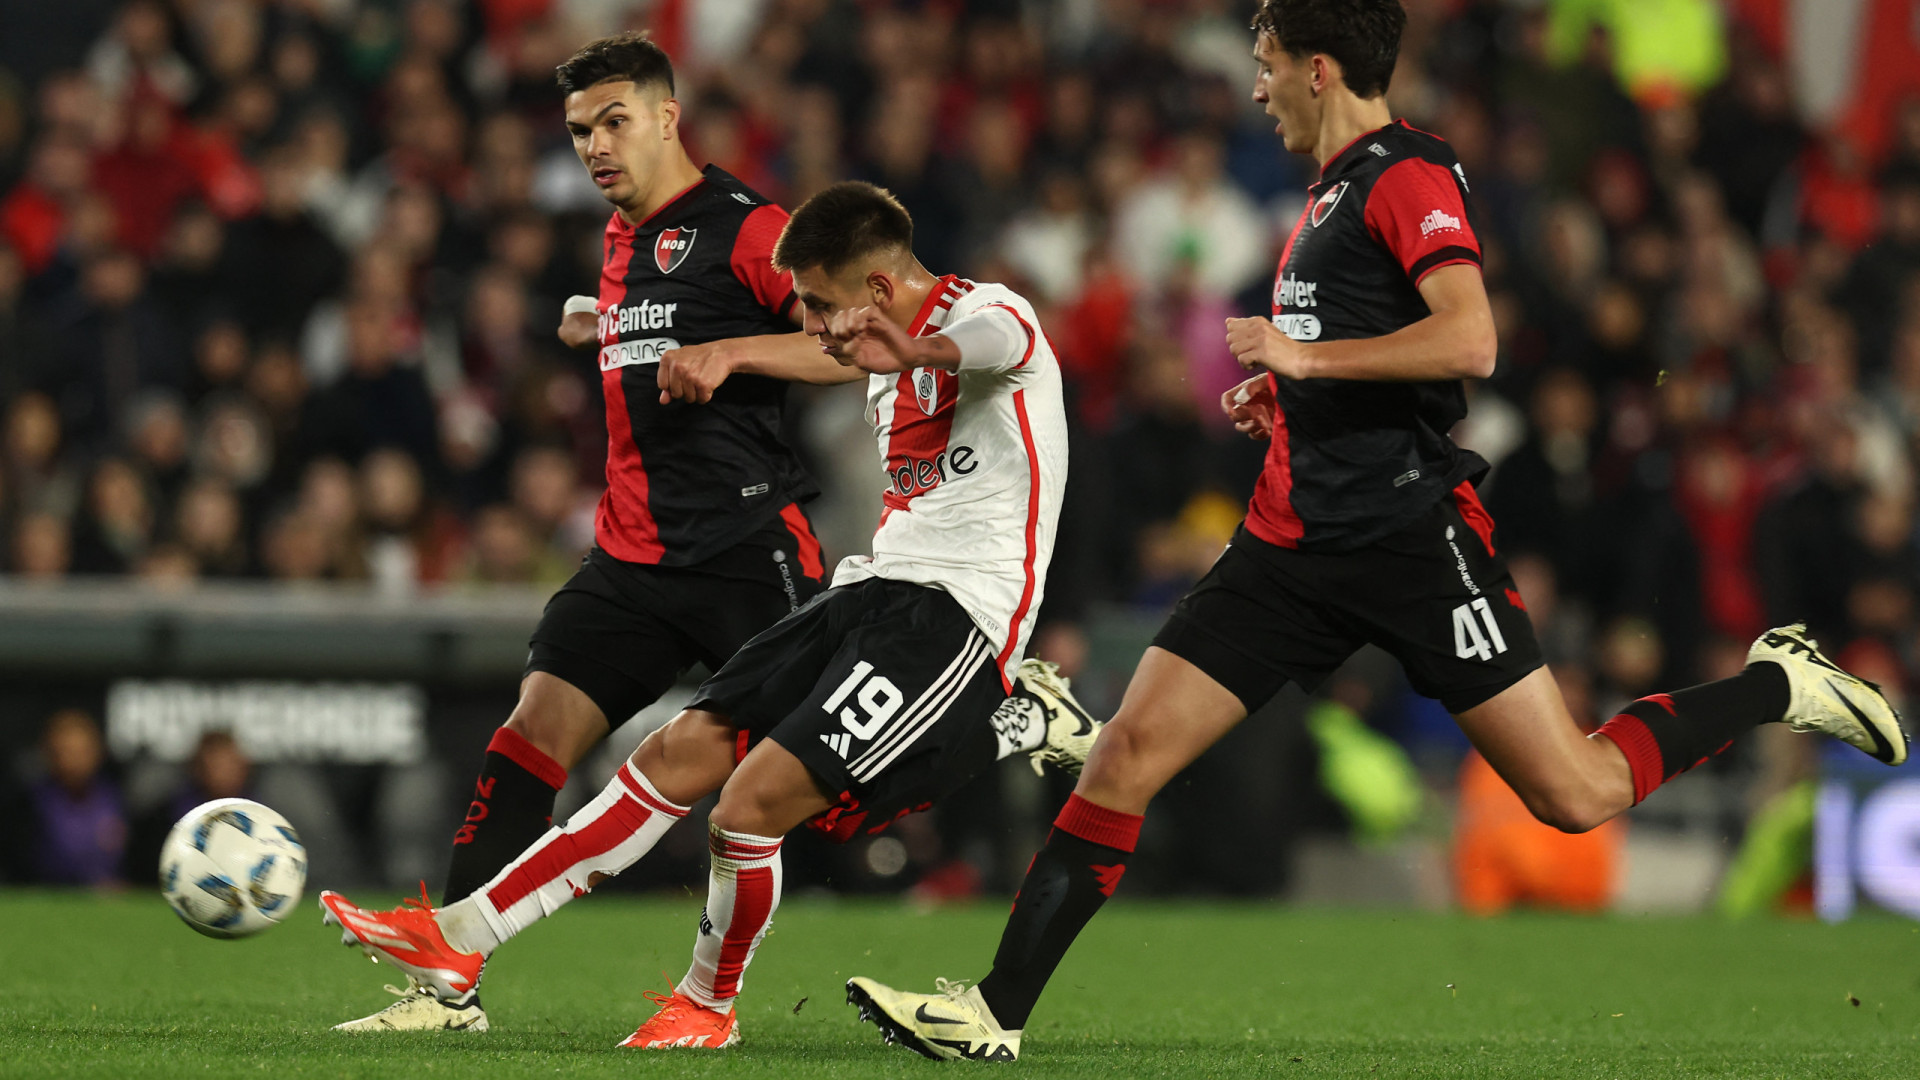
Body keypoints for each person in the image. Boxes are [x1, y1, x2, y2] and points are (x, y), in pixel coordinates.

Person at [845, 0, 1908, 1062]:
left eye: (1264, 66)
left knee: (1575, 794)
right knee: (1122, 755)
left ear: (1319, 68)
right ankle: (995, 1014)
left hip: (1407, 538)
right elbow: (1365, 350)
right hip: (1288, 547)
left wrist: (1306, 364)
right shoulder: (1324, 197)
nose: (1253, 89)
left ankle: (1778, 682)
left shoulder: (1408, 174)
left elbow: (1470, 338)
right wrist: (1290, 401)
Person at [319, 180, 1097, 1050]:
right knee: (673, 753)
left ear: (877, 292)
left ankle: (707, 1006)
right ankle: (462, 935)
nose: (808, 323)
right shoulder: (872, 354)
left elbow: (991, 343)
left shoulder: (989, 314)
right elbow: (785, 350)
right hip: (868, 589)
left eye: (818, 305)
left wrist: (920, 346)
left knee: (752, 807)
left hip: (955, 618)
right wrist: (625, 323)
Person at [328, 32, 867, 1033]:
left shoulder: (754, 227)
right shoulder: (621, 239)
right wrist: (606, 326)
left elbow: (851, 347)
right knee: (532, 730)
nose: (595, 147)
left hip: (749, 553)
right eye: (580, 131)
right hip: (633, 553)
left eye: (614, 121)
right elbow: (666, 327)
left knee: (776, 788)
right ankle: (450, 986)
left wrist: (729, 353)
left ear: (670, 114)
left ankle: (719, 992)